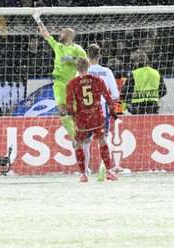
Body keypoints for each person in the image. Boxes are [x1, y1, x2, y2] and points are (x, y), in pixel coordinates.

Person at [33, 12, 87, 136]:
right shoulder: (57, 46)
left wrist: (71, 59)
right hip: (59, 82)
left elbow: (86, 63)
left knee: (74, 111)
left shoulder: (77, 49)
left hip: (73, 83)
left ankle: (81, 133)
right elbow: (45, 34)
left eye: (62, 32)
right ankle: (74, 137)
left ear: (69, 35)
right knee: (62, 110)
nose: (59, 34)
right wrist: (38, 20)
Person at [66, 58, 118, 183]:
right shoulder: (97, 80)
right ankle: (109, 172)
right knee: (102, 141)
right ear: (88, 66)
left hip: (82, 118)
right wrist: (113, 112)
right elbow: (108, 97)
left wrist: (73, 117)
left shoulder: (72, 83)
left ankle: (83, 174)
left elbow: (69, 104)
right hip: (97, 116)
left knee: (78, 143)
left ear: (77, 69)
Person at [85, 44, 121, 177]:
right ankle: (106, 170)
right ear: (100, 56)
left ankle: (85, 171)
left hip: (86, 111)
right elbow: (116, 95)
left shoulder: (82, 71)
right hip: (101, 111)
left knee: (85, 141)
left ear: (87, 56)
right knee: (103, 140)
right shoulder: (106, 71)